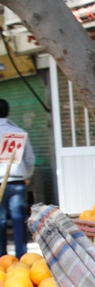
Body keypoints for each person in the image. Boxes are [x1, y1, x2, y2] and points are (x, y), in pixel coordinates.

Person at [0, 99, 34, 258]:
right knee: (18, 220)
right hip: (16, 183)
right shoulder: (18, 132)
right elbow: (29, 158)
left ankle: (1, 257)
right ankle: (22, 256)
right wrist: (26, 175)